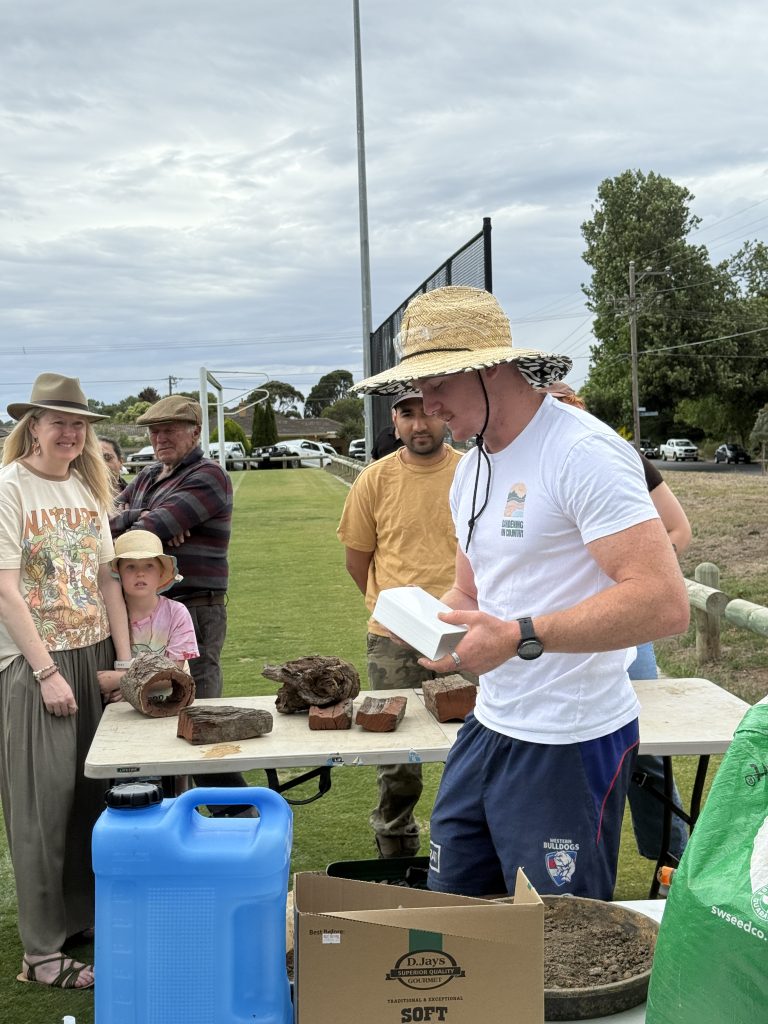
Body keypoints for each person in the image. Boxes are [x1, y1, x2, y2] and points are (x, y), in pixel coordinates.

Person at [352, 285, 690, 899]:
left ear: (491, 368)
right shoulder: (473, 465)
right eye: (416, 393)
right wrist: (442, 632)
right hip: (490, 725)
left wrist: (519, 636)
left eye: (437, 386)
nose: (426, 408)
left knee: (555, 944)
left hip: (570, 738)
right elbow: (469, 587)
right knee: (457, 918)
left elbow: (663, 602)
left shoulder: (582, 451)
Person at [0, 373, 131, 989]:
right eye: (58, 422)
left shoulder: (85, 486)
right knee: (42, 808)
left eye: (78, 423)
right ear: (33, 427)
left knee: (89, 800)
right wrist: (46, 671)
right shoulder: (9, 487)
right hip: (36, 665)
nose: (70, 432)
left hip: (93, 653)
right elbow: (5, 589)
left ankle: (79, 919)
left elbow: (108, 580)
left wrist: (126, 661)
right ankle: (42, 954)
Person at [545, 382, 692, 862]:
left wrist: (634, 577)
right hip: (556, 635)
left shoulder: (614, 455)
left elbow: (678, 530)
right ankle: (563, 868)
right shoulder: (511, 464)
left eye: (567, 410)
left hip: (625, 633)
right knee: (556, 750)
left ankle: (671, 865)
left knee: (646, 753)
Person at [337, 389, 465, 858]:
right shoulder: (374, 479)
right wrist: (395, 614)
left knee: (470, 742)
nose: (420, 425)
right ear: (394, 421)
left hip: (465, 633)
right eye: (407, 414)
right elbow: (358, 560)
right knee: (396, 753)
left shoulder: (472, 472)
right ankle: (395, 842)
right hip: (393, 640)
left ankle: (464, 844)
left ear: (444, 415)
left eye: (429, 412)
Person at [109, 394, 248, 803]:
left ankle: (238, 815)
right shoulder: (152, 475)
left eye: (169, 429)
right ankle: (172, 808)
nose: (159, 437)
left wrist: (147, 523)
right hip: (144, 611)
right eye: (154, 430)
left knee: (197, 714)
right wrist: (146, 523)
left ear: (195, 432)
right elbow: (106, 520)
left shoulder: (208, 475)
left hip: (195, 609)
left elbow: (158, 524)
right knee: (150, 711)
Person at [96, 529, 199, 706]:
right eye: (131, 567)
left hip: (169, 706)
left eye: (148, 566)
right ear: (117, 573)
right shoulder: (106, 615)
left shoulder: (177, 613)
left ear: (160, 572)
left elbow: (174, 675)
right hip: (121, 711)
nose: (140, 573)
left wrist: (123, 681)